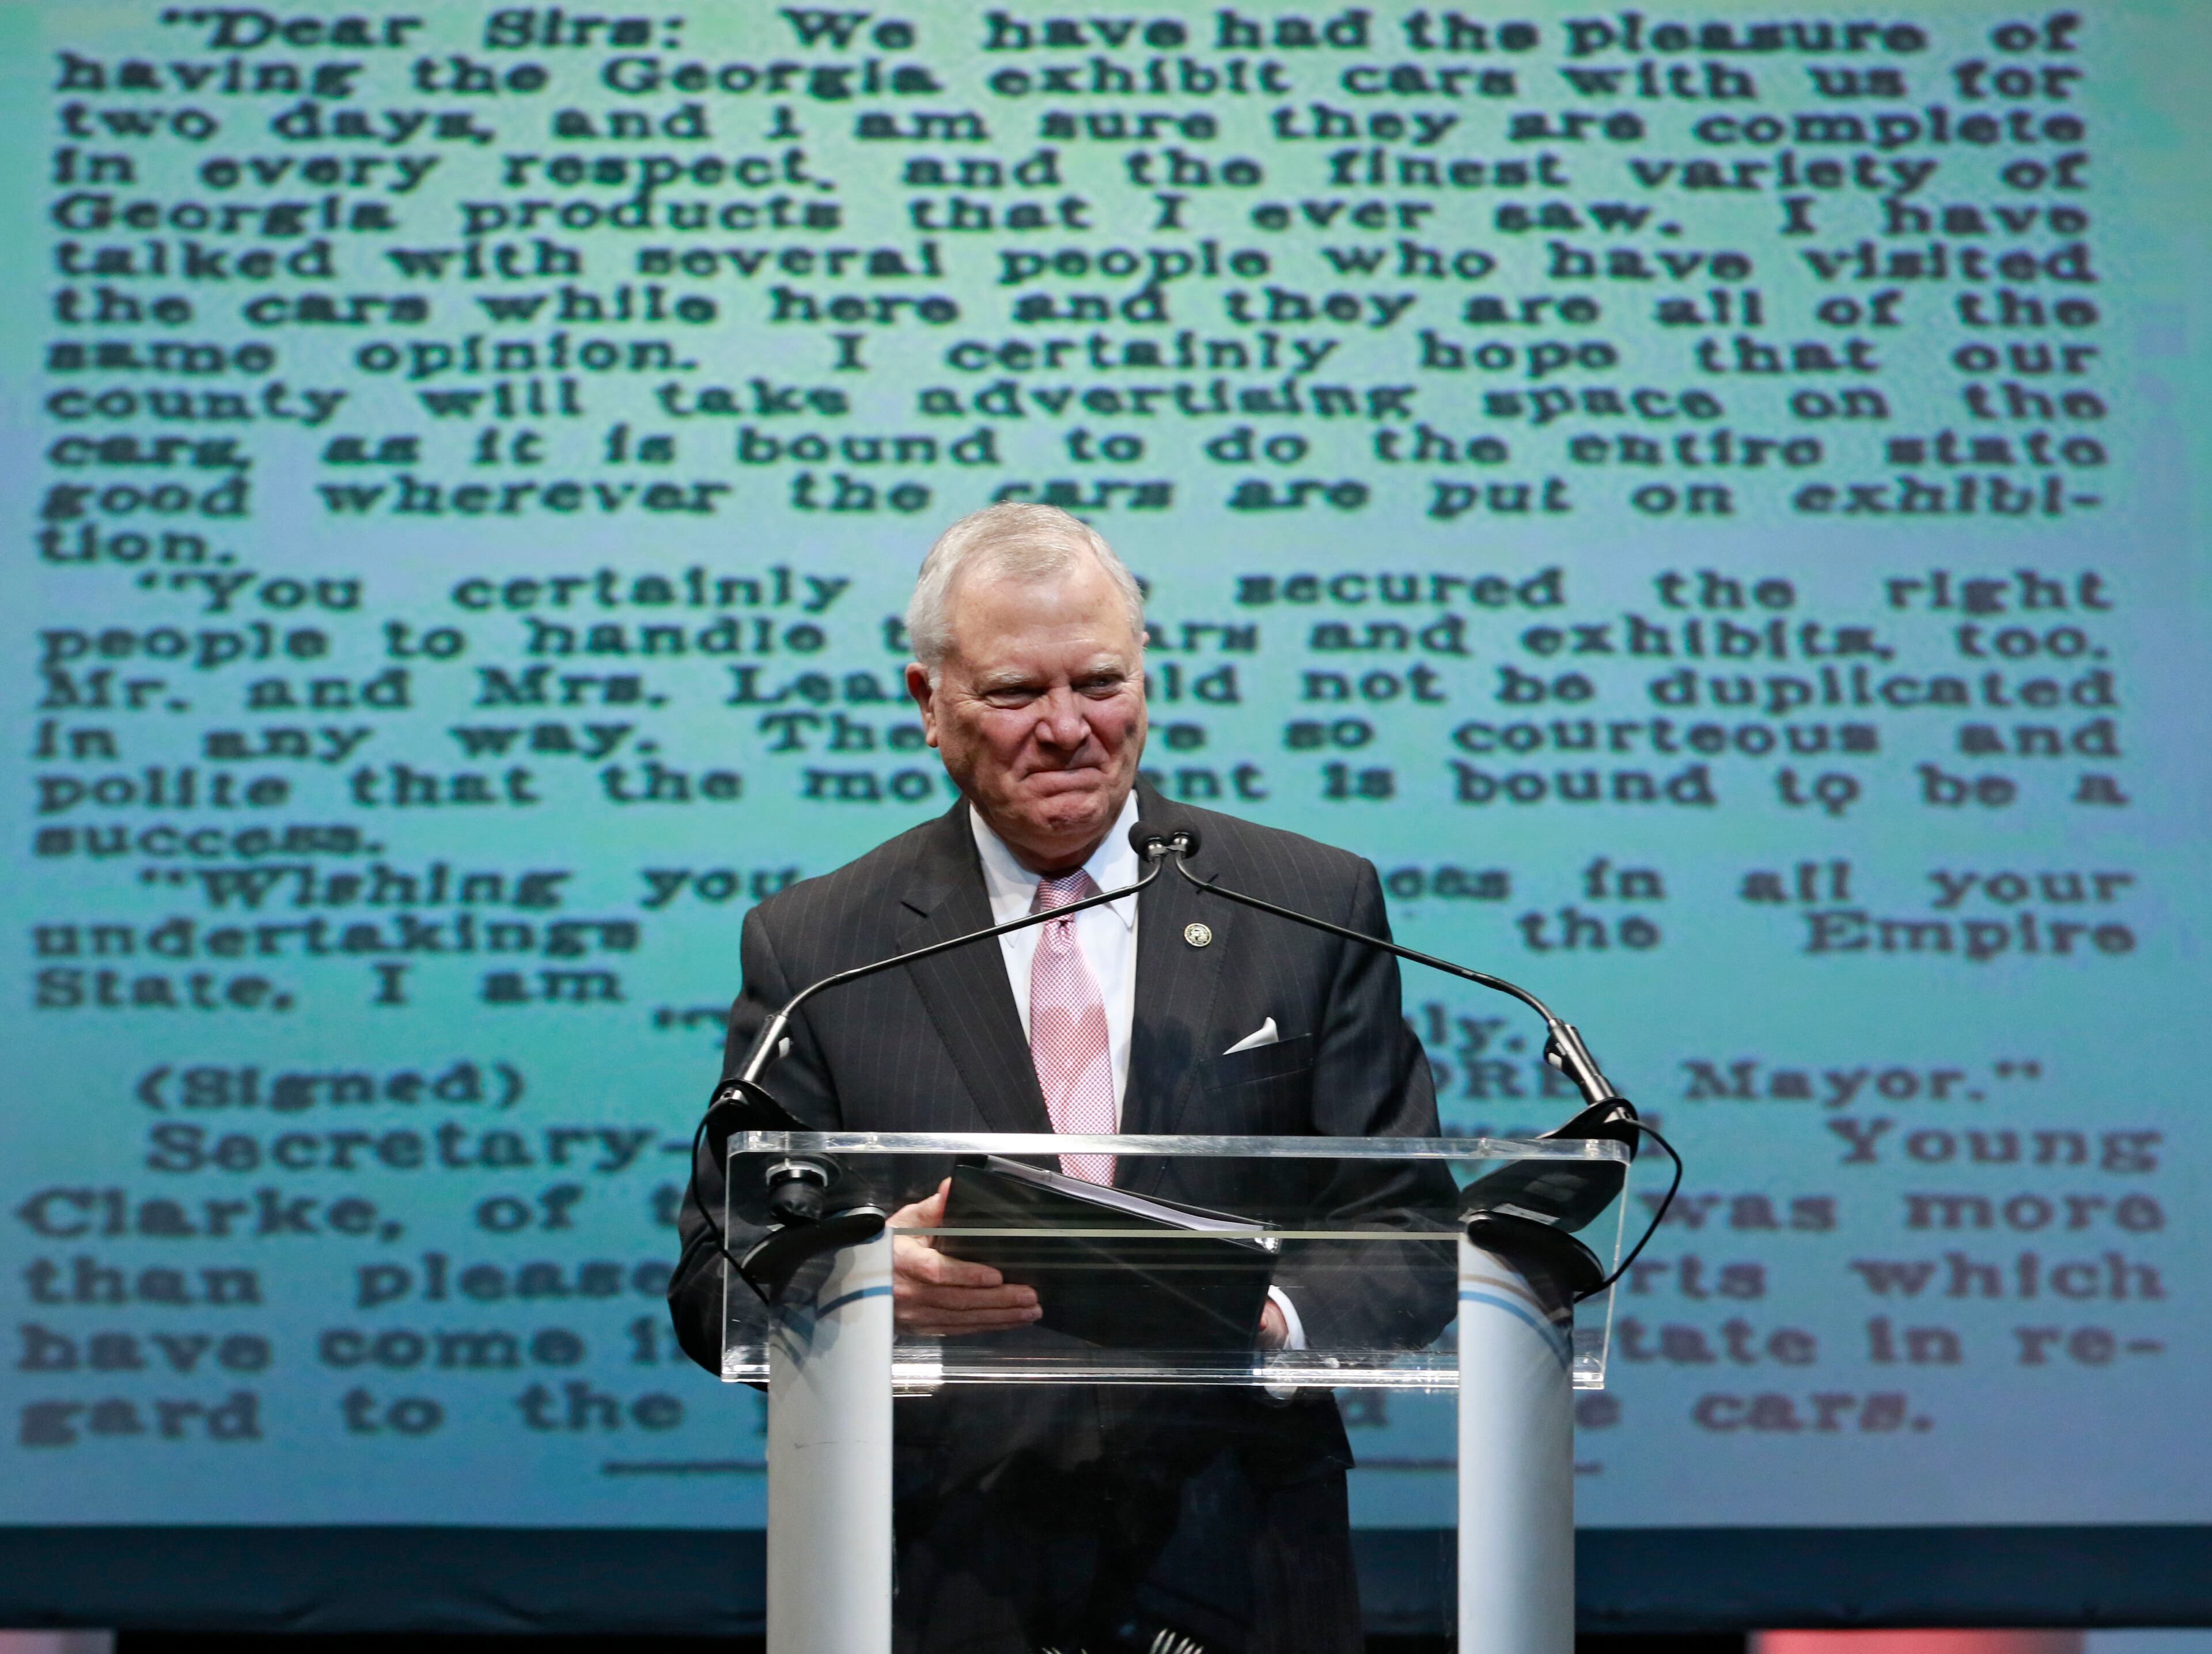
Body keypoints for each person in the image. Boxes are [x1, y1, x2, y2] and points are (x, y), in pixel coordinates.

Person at [670, 503, 1451, 1654]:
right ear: (930, 707)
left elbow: (1410, 1232)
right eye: (1015, 692)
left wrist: (1261, 1320)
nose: (1068, 728)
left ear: (1145, 678)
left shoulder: (1306, 906)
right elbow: (713, 1282)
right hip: (947, 1566)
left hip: (1241, 1555)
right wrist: (861, 1277)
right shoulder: (818, 946)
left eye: (1098, 680)